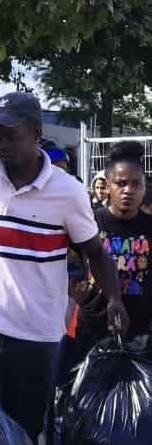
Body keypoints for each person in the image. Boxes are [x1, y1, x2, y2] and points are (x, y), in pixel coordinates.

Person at [0, 92, 127, 445]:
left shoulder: (68, 193)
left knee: (22, 433)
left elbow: (95, 253)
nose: (2, 145)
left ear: (35, 134)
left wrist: (114, 297)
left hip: (37, 337)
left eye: (12, 135)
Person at [66, 141, 152, 367]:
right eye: (121, 183)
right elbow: (66, 261)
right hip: (93, 327)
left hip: (140, 332)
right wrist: (73, 288)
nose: (128, 190)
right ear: (108, 185)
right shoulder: (90, 223)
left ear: (144, 187)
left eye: (136, 184)